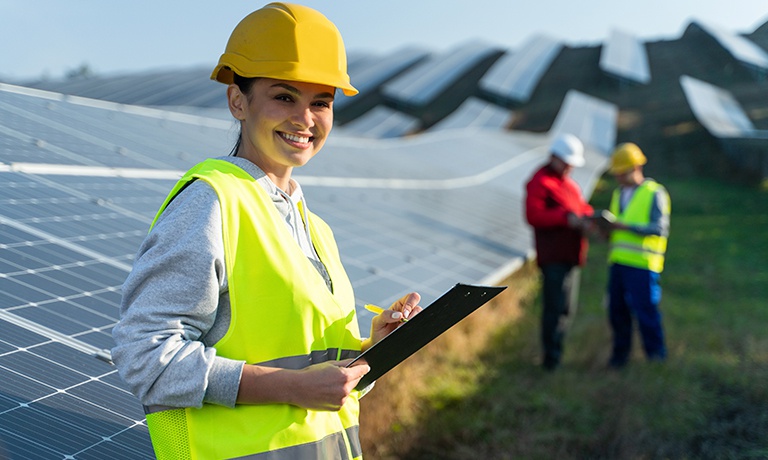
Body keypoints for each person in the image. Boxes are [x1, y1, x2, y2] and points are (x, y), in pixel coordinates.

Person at [111, 3, 422, 459]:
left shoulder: (315, 229)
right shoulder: (211, 203)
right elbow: (144, 356)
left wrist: (370, 352)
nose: (305, 119)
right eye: (284, 96)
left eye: (321, 102)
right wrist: (292, 387)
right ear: (238, 100)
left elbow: (315, 381)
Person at [524, 133, 594, 370]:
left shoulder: (568, 184)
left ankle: (557, 353)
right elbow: (533, 215)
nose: (569, 167)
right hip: (554, 257)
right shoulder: (540, 182)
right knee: (555, 309)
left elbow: (580, 207)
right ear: (553, 157)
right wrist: (565, 219)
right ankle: (550, 360)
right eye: (566, 162)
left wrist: (589, 218)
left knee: (566, 309)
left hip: (570, 254)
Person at [604, 142, 671, 368]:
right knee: (617, 312)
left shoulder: (655, 193)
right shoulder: (618, 193)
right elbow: (614, 227)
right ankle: (619, 358)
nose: (618, 179)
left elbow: (659, 228)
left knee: (646, 313)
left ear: (634, 168)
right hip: (618, 264)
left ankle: (656, 358)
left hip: (643, 265)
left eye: (621, 173)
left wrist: (627, 227)